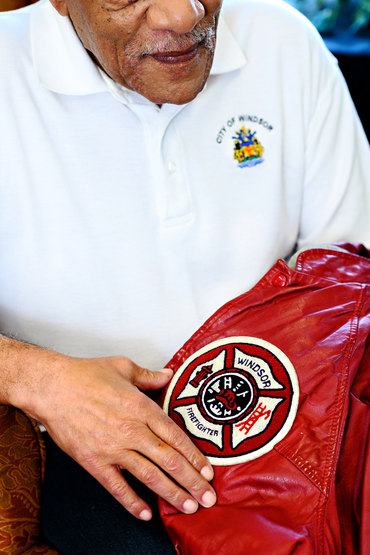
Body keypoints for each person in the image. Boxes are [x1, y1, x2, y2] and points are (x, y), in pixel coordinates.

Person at [0, 0, 369, 552]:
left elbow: (350, 268)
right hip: (96, 448)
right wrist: (35, 378)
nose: (179, 15)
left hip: (300, 406)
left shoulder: (285, 40)